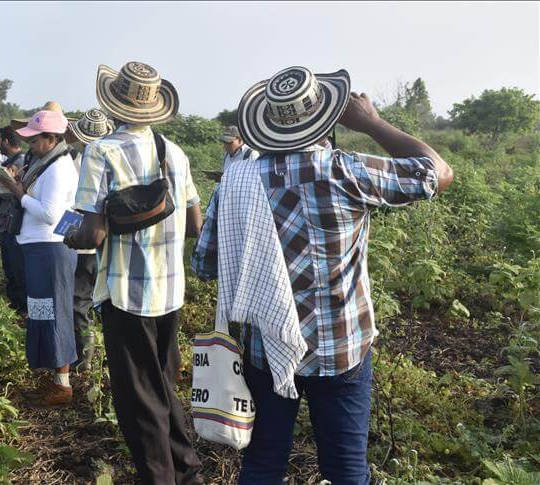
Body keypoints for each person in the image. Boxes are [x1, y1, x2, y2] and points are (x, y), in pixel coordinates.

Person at [191, 66, 453, 485]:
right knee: (347, 469)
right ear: (327, 120)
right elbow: (437, 173)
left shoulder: (236, 180)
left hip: (266, 348)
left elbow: (204, 264)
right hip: (341, 347)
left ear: (269, 124)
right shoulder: (346, 171)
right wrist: (372, 122)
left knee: (262, 464)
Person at [65, 61, 204, 484]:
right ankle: (188, 473)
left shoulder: (101, 151)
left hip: (126, 291)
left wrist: (73, 236)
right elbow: (196, 225)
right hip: (170, 291)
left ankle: (159, 478)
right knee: (161, 385)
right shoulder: (173, 153)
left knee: (137, 397)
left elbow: (91, 231)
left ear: (115, 103)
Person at [0, 109, 79, 406]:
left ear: (51, 138)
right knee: (44, 312)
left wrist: (20, 193)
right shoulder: (48, 162)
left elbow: (49, 214)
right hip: (41, 249)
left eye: (35, 140)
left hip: (50, 249)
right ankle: (55, 380)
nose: (30, 145)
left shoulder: (58, 168)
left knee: (54, 313)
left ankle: (62, 384)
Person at [64, 108, 114, 371]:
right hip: (107, 244)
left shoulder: (86, 160)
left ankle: (85, 358)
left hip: (85, 241)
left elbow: (77, 207)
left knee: (79, 300)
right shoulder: (111, 157)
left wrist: (65, 234)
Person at [0, 125, 28, 314]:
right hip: (8, 222)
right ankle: (17, 308)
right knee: (11, 267)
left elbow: (18, 193)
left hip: (16, 224)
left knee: (17, 268)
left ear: (5, 141)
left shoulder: (21, 161)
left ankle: (23, 309)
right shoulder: (16, 160)